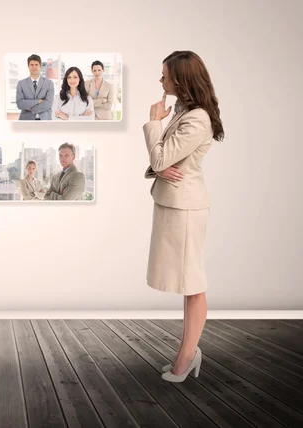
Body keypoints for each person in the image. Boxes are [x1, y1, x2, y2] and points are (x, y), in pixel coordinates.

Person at [143, 51, 224, 383]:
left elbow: (161, 158)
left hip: (186, 209)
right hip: (174, 204)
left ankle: (187, 357)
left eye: (164, 75)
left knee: (193, 283)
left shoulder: (197, 118)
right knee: (186, 282)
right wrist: (161, 168)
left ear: (181, 78)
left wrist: (152, 121)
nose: (160, 80)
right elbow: (163, 162)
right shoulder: (184, 111)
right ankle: (187, 353)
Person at [15, 54, 54, 120]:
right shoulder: (21, 83)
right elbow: (20, 104)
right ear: (28, 66)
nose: (34, 67)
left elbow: (49, 104)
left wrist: (31, 108)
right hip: (26, 120)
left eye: (36, 64)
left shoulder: (49, 83)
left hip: (45, 120)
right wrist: (38, 101)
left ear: (40, 66)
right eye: (32, 65)